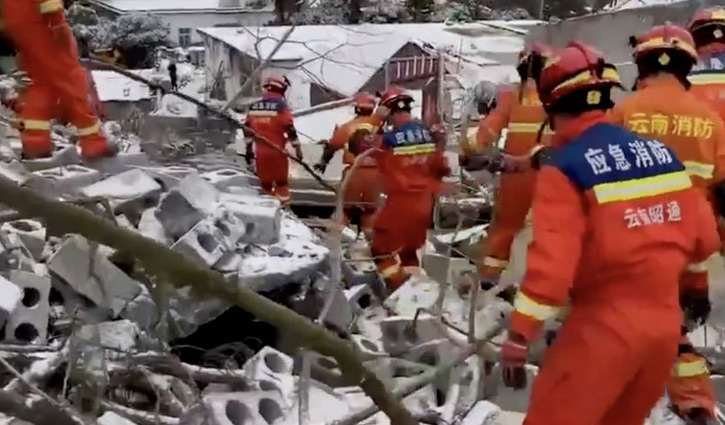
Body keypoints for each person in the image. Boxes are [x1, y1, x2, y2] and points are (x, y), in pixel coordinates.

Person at [500, 41, 721, 425]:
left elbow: (552, 272)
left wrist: (519, 336)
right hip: (663, 331)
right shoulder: (661, 156)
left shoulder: (565, 169)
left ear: (553, 110)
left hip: (603, 331)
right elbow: (703, 236)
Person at [609, 24, 724, 423]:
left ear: (641, 64)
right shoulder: (710, 121)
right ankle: (691, 397)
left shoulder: (623, 114)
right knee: (674, 323)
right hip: (691, 244)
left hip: (637, 241)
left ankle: (676, 397)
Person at [467, 43, 553, 285]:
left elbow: (482, 137)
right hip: (553, 176)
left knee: (505, 229)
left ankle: (489, 284)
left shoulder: (511, 97)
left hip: (515, 175)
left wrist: (469, 148)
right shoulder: (558, 98)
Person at [2, 0, 113, 160]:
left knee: (43, 85)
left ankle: (35, 143)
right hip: (43, 22)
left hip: (22, 23)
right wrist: (57, 22)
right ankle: (93, 142)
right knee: (71, 79)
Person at [371, 86, 450, 291]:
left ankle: (399, 289)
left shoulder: (388, 140)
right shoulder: (427, 135)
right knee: (408, 252)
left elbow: (363, 147)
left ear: (388, 111)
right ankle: (417, 290)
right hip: (424, 205)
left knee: (380, 249)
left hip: (400, 204)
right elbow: (442, 168)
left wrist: (375, 121)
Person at [314, 93, 384, 238]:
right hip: (375, 176)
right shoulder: (379, 127)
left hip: (353, 174)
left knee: (344, 211)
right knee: (370, 213)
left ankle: (337, 241)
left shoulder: (346, 128)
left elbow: (331, 147)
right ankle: (371, 247)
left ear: (356, 109)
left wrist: (323, 162)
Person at [244, 76, 303, 207]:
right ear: (281, 90)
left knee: (265, 185)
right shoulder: (281, 107)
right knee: (281, 185)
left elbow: (247, 129)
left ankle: (267, 209)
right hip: (278, 154)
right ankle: (284, 211)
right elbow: (290, 129)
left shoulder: (254, 107)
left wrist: (248, 150)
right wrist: (298, 150)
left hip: (261, 155)